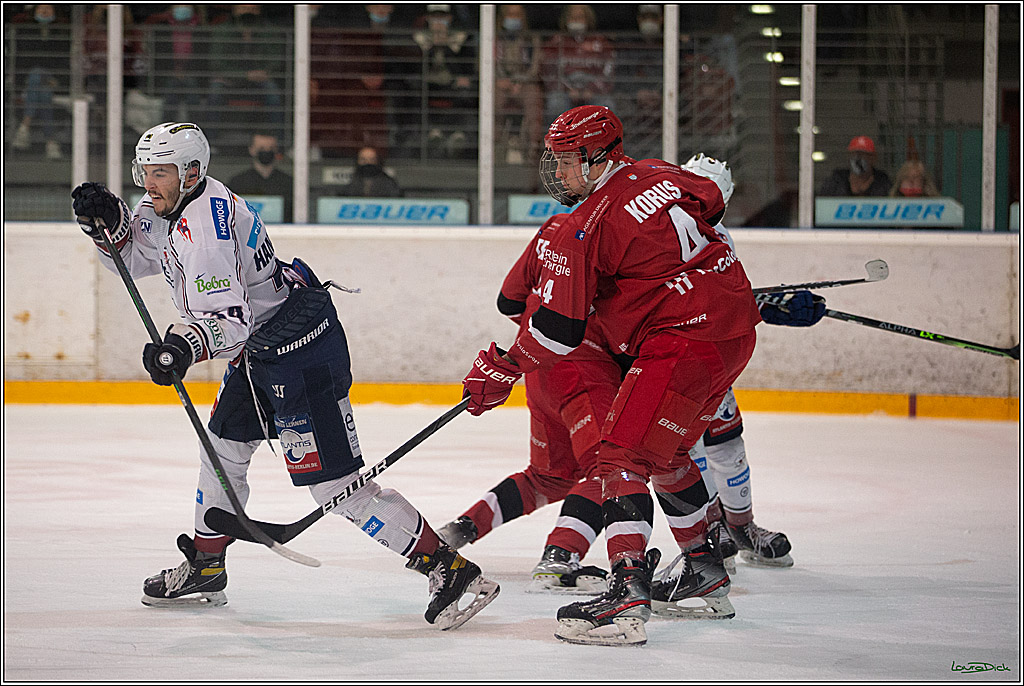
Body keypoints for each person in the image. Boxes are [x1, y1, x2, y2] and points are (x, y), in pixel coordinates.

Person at [70, 122, 498, 630]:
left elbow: (230, 324)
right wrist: (109, 223)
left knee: (339, 488)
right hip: (261, 353)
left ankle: (451, 570)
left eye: (158, 173)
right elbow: (138, 257)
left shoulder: (205, 232)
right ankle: (207, 565)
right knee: (222, 449)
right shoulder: (177, 203)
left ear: (190, 173)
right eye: (144, 173)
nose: (148, 184)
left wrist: (182, 348)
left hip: (302, 357)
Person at [441, 155, 821, 587]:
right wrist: (767, 308)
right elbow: (686, 300)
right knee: (635, 459)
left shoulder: (566, 225)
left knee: (559, 472)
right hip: (613, 362)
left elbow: (515, 304)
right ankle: (581, 558)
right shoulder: (656, 217)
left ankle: (460, 530)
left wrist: (515, 360)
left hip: (552, 369)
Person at [459, 105, 762, 646]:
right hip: (734, 328)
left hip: (681, 340)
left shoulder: (583, 227)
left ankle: (626, 597)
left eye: (569, 161)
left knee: (619, 457)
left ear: (601, 156)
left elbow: (556, 333)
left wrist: (504, 368)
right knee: (667, 456)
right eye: (554, 160)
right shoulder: (663, 173)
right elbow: (710, 202)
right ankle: (703, 571)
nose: (559, 173)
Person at [412, 4, 476, 159]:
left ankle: (458, 135)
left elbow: (463, 71)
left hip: (452, 85)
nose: (439, 22)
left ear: (450, 19)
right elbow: (418, 68)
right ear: (428, 19)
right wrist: (433, 47)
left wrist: (447, 48)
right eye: (435, 17)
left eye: (442, 17)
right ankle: (430, 135)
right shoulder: (418, 39)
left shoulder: (462, 38)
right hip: (428, 85)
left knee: (466, 91)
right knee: (414, 90)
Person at [540, 5, 616, 126]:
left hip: (594, 89)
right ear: (566, 19)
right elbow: (549, 71)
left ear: (588, 19)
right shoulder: (555, 43)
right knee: (556, 104)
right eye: (573, 17)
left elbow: (608, 71)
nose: (576, 21)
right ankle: (559, 143)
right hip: (564, 90)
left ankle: (601, 144)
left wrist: (592, 89)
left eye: (580, 17)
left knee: (607, 105)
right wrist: (568, 89)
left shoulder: (601, 42)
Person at [495, 4, 543, 164]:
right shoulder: (494, 37)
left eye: (517, 15)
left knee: (534, 97)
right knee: (493, 100)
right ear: (503, 17)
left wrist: (520, 82)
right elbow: (487, 64)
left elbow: (535, 68)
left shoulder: (531, 39)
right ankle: (495, 150)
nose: (513, 18)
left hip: (525, 83)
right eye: (510, 14)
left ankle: (533, 151)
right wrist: (502, 81)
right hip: (499, 83)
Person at [227, 133, 294, 222]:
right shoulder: (237, 182)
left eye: (271, 148)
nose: (266, 151)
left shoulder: (288, 183)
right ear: (251, 150)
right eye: (261, 148)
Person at [818, 135, 892, 197]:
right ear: (848, 157)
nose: (858, 158)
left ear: (873, 158)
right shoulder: (836, 182)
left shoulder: (883, 183)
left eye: (864, 154)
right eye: (855, 154)